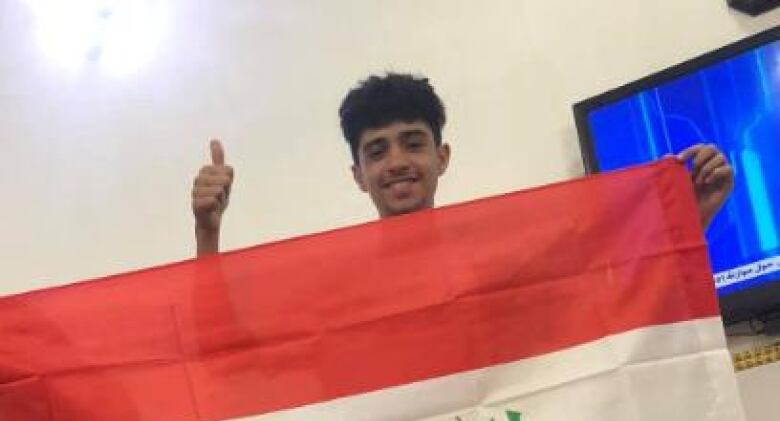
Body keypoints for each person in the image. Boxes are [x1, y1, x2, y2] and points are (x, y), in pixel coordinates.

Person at [189, 73, 734, 257]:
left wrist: (693, 217)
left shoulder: (504, 256)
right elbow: (235, 355)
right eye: (377, 151)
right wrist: (207, 232)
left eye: (413, 143)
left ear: (442, 157)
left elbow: (616, 301)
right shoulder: (338, 287)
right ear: (357, 174)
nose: (397, 162)